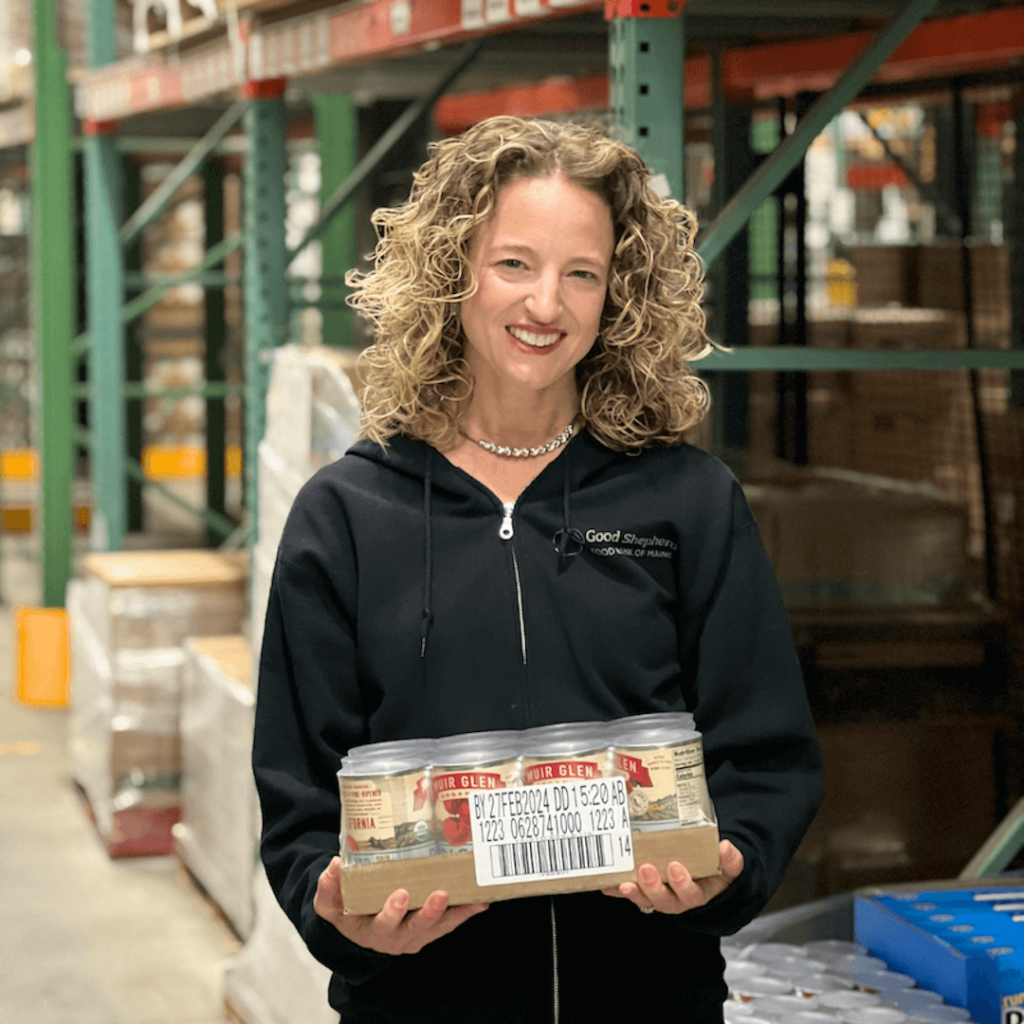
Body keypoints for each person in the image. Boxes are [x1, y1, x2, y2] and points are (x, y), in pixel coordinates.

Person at [252, 115, 824, 1023]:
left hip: (650, 998)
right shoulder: (349, 516)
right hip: (419, 1003)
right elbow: (297, 789)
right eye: (514, 263)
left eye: (582, 273)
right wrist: (338, 917)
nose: (546, 305)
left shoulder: (686, 501)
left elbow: (767, 751)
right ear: (453, 271)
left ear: (620, 296)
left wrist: (731, 866)